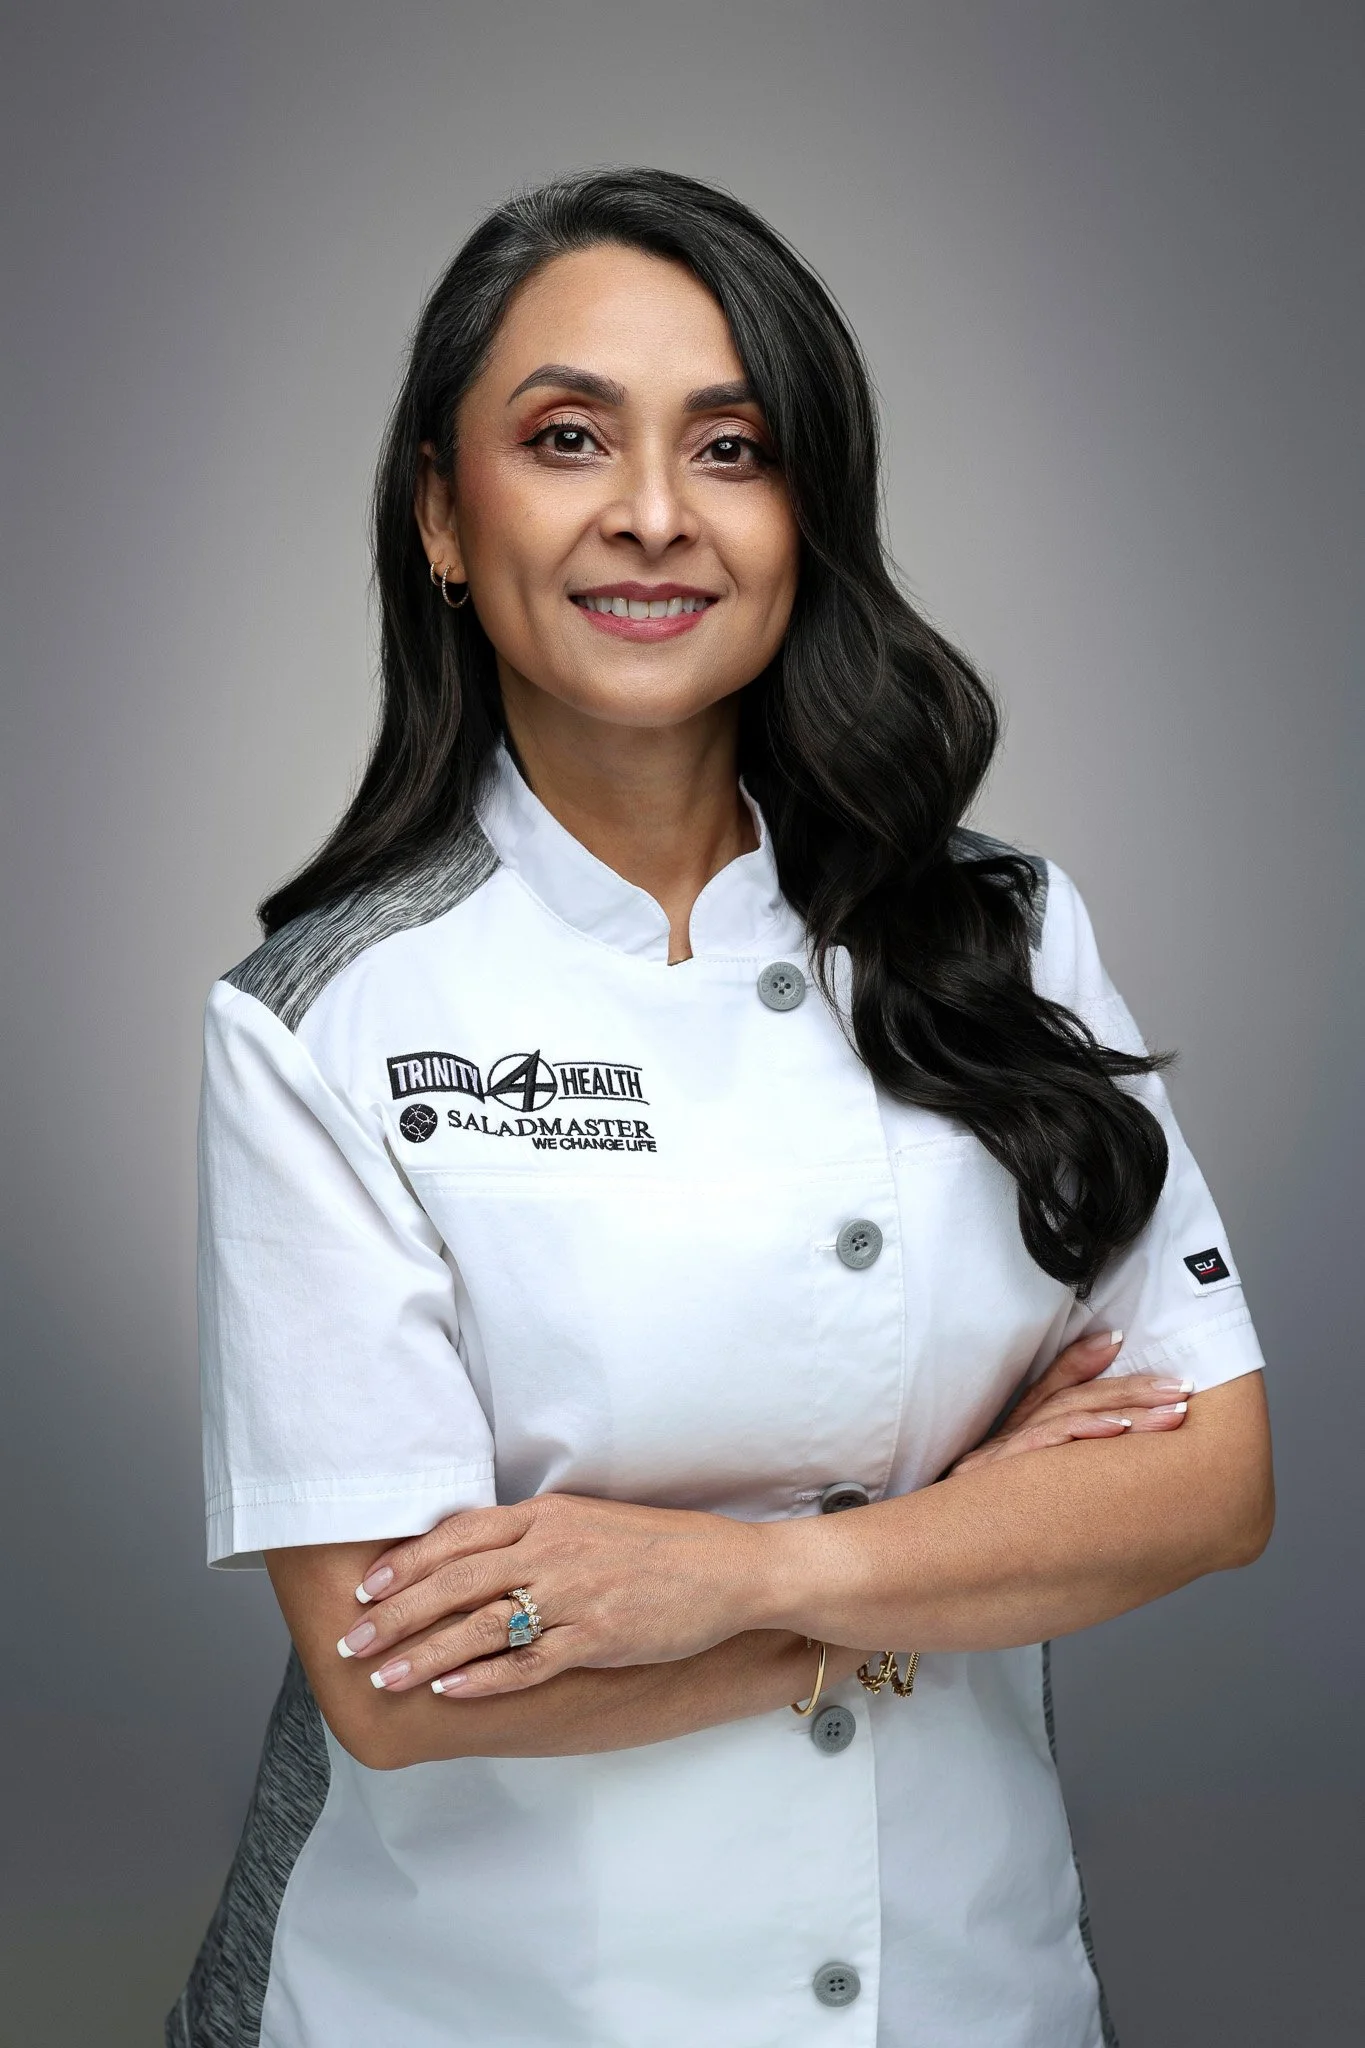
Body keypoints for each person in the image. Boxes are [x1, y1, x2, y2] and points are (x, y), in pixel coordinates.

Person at [168, 167, 1274, 2048]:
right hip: (474, 2004)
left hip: (965, 1981)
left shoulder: (1001, 932)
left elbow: (1210, 1478)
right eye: (568, 437)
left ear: (804, 515)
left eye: (734, 445)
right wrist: (959, 1549)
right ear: (446, 512)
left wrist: (730, 1579)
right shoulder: (323, 1022)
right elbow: (396, 1681)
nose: (654, 515)